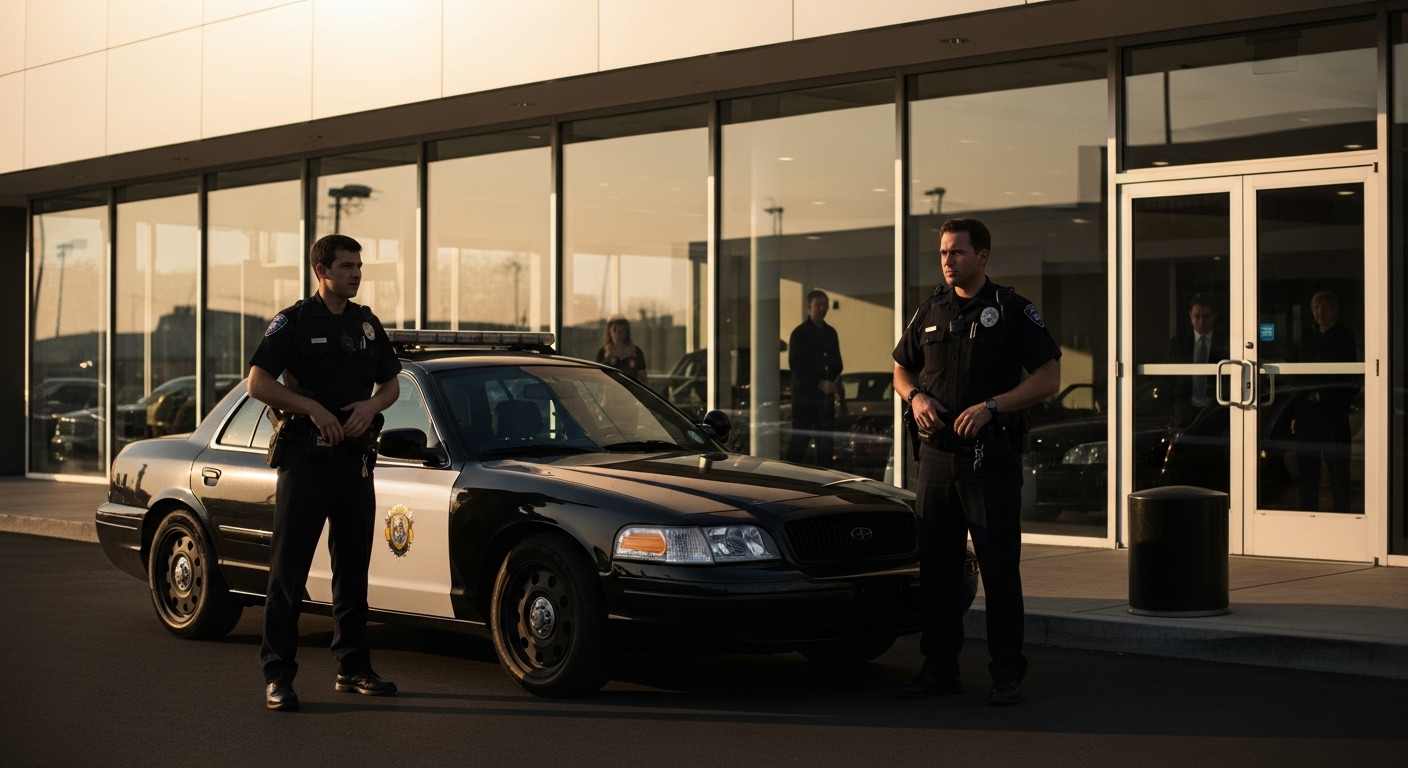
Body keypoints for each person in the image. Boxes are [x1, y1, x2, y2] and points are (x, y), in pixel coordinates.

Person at [892, 218, 1060, 706]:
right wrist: (915, 397)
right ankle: (939, 669)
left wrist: (993, 406)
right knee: (937, 573)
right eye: (944, 253)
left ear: (982, 256)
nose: (948, 261)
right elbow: (902, 367)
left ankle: (1007, 674)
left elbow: (1047, 377)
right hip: (937, 461)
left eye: (958, 253)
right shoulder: (930, 310)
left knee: (999, 569)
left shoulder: (1010, 310)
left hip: (990, 461)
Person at [247, 234, 403, 711]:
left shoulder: (366, 324)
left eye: (359, 265)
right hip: (305, 462)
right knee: (288, 573)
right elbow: (257, 382)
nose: (356, 273)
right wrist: (311, 407)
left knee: (353, 571)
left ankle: (353, 667)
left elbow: (392, 383)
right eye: (346, 265)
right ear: (322, 271)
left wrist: (371, 406)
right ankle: (278, 676)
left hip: (354, 463)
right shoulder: (293, 322)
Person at [1294, 290, 1357, 511]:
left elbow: (1349, 377)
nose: (1319, 312)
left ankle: (1343, 516)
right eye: (1315, 308)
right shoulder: (1306, 337)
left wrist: (1340, 404)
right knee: (1307, 471)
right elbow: (1297, 376)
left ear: (1335, 310)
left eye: (1324, 307)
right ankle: (1308, 515)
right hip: (1308, 414)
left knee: (1339, 472)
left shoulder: (1345, 337)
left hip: (1333, 415)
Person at [787, 289, 844, 467]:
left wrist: (830, 382)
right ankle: (792, 475)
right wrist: (818, 382)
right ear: (809, 307)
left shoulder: (830, 333)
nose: (822, 309)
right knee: (800, 440)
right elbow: (796, 366)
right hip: (805, 397)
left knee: (825, 442)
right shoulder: (800, 334)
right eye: (818, 305)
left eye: (825, 305)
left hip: (824, 399)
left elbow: (837, 363)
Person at [1164, 293, 1229, 428]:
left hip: (1217, 410)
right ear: (1190, 315)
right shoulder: (1178, 344)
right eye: (1197, 316)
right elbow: (1168, 379)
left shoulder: (1227, 343)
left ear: (1214, 316)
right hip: (1185, 412)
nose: (1201, 321)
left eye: (1206, 317)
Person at [596, 316, 649, 385]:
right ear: (609, 332)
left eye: (622, 330)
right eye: (615, 330)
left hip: (630, 392)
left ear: (626, 332)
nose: (618, 333)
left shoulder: (635, 352)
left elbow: (643, 379)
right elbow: (597, 377)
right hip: (609, 392)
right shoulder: (603, 353)